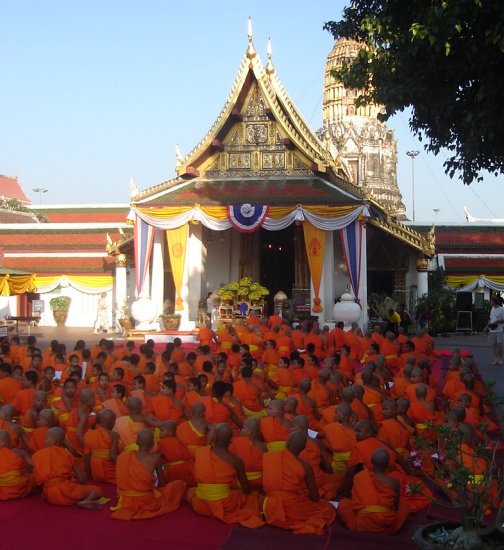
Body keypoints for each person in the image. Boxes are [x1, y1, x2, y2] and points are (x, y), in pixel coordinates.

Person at [187, 423, 264, 528]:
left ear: (214, 437)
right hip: (224, 505)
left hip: (200, 504)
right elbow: (246, 489)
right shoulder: (236, 460)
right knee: (253, 497)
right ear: (231, 440)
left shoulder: (201, 452)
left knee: (190, 491)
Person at [262, 431, 336, 534]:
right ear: (303, 448)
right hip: (292, 507)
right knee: (327, 508)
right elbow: (315, 497)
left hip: (269, 506)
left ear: (287, 442)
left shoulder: (268, 457)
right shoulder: (305, 466)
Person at [111, 429, 186, 520]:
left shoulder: (123, 457)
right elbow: (162, 484)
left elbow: (113, 458)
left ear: (137, 442)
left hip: (125, 500)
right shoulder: (156, 459)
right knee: (179, 485)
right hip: (147, 502)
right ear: (152, 444)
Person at [339, 449, 410, 534]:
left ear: (371, 461)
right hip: (386, 524)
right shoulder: (394, 482)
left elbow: (355, 501)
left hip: (364, 524)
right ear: (388, 465)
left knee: (344, 503)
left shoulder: (359, 477)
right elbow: (396, 506)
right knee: (404, 506)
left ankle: (358, 525)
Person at [32, 427, 104, 508]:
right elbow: (81, 479)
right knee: (97, 489)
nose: (44, 440)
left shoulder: (37, 455)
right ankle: (86, 501)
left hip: (50, 494)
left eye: (46, 438)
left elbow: (37, 478)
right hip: (66, 492)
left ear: (53, 441)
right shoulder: (66, 454)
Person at [0, 430, 36, 500]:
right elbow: (35, 465)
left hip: (2, 490)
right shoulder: (19, 452)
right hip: (19, 487)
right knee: (35, 476)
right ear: (10, 441)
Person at [484, 296, 504, 365]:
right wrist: (486, 327)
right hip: (492, 330)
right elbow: (490, 320)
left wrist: (497, 322)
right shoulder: (492, 309)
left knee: (499, 345)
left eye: (491, 301)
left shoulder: (502, 309)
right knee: (494, 345)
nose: (490, 302)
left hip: (499, 330)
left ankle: (500, 359)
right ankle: (496, 359)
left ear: (494, 302)